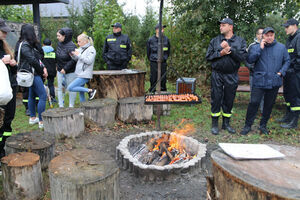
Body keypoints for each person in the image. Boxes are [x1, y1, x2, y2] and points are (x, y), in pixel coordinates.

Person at [240, 27, 290, 135]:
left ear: (274, 36)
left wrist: (281, 73)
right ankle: (247, 126)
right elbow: (249, 60)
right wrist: (260, 49)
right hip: (259, 80)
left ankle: (263, 125)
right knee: (254, 103)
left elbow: (287, 61)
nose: (269, 37)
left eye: (271, 35)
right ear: (263, 36)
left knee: (269, 104)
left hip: (274, 81)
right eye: (267, 35)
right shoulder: (255, 47)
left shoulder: (281, 47)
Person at [206, 18, 247, 135]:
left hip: (232, 74)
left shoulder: (240, 41)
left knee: (229, 99)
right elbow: (208, 57)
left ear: (231, 27)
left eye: (223, 25)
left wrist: (230, 49)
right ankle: (214, 125)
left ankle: (226, 124)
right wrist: (220, 53)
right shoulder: (215, 41)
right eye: (220, 25)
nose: (220, 27)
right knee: (216, 98)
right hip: (217, 74)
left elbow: (243, 58)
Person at [15, 24, 48, 129]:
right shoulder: (25, 45)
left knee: (32, 95)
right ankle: (42, 121)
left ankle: (33, 118)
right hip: (33, 73)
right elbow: (32, 60)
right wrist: (41, 70)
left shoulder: (21, 44)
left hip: (29, 73)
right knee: (42, 95)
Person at [0, 18, 18, 158]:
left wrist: (13, 64)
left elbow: (12, 72)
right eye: (3, 31)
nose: (6, 34)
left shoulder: (4, 45)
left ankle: (5, 145)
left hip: (10, 88)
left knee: (8, 119)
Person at [280, 19, 300, 129]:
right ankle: (288, 116)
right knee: (287, 95)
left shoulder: (299, 37)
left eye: (287, 27)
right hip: (288, 73)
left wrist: (294, 69)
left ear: (294, 26)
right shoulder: (290, 39)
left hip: (296, 73)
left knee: (295, 96)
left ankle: (294, 121)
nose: (285, 29)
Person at [67, 33, 97, 102]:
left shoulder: (91, 49)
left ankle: (90, 91)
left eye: (79, 41)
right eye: (77, 41)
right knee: (81, 92)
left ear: (85, 41)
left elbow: (89, 61)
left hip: (85, 74)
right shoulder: (80, 48)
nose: (78, 43)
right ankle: (83, 107)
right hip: (79, 73)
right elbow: (78, 59)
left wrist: (79, 55)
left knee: (70, 87)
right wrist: (73, 55)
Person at [56, 27, 77, 108]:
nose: (57, 38)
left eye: (59, 36)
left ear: (65, 36)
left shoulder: (72, 46)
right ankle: (61, 106)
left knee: (71, 88)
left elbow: (74, 60)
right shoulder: (59, 44)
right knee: (60, 88)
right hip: (59, 70)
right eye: (57, 36)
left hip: (70, 71)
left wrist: (65, 69)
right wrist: (57, 66)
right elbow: (57, 55)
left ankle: (71, 105)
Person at [147, 24, 171, 92]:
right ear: (157, 30)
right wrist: (152, 59)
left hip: (163, 62)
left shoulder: (166, 39)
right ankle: (153, 90)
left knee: (163, 76)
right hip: (154, 62)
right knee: (153, 76)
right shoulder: (151, 40)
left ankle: (163, 89)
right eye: (161, 29)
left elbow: (168, 51)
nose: (163, 30)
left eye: (163, 29)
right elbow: (148, 52)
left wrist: (164, 58)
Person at [245, 27, 264, 112]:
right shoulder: (252, 46)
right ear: (257, 35)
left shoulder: (269, 45)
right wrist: (250, 67)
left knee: (264, 94)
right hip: (254, 75)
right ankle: (254, 111)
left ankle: (263, 110)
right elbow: (246, 59)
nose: (262, 35)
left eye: (263, 34)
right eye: (260, 34)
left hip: (265, 75)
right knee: (254, 94)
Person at [42, 38, 56, 102]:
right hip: (52, 71)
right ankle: (52, 98)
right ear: (51, 45)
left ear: (43, 45)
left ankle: (42, 97)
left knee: (41, 84)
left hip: (43, 71)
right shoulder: (54, 52)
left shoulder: (41, 52)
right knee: (51, 84)